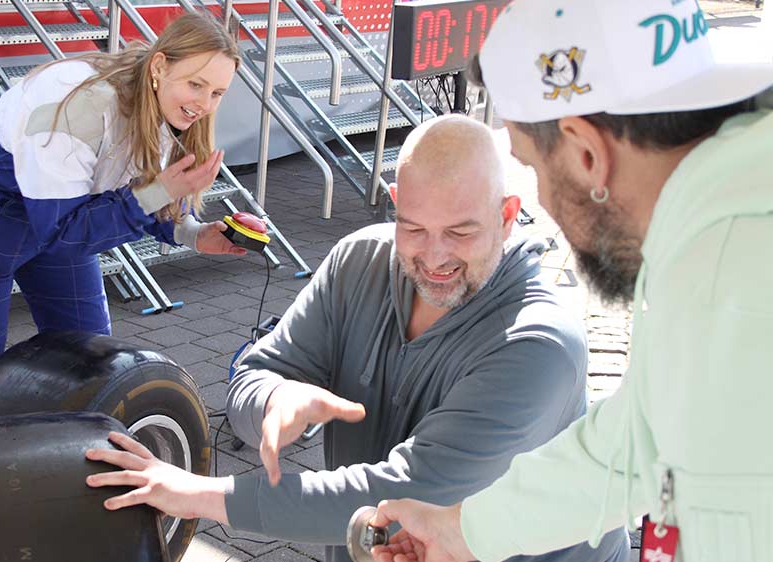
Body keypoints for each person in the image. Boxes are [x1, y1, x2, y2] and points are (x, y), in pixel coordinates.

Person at [84, 115, 630, 562]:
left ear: (509, 215)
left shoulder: (539, 343)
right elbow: (253, 376)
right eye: (414, 227)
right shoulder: (358, 262)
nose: (435, 256)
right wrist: (276, 402)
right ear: (395, 202)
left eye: (460, 232)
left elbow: (403, 493)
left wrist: (191, 494)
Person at [366, 1, 773, 562]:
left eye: (533, 170)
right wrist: (465, 531)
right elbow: (638, 439)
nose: (547, 206)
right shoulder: (713, 220)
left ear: (586, 152)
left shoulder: (731, 279)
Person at [0, 12, 246, 561]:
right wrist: (157, 196)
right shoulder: (80, 104)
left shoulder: (164, 112)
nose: (202, 102)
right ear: (159, 67)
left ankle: (68, 511)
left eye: (217, 91)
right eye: (195, 84)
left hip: (61, 215)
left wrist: (201, 234)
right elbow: (66, 230)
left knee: (97, 369)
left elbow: (138, 197)